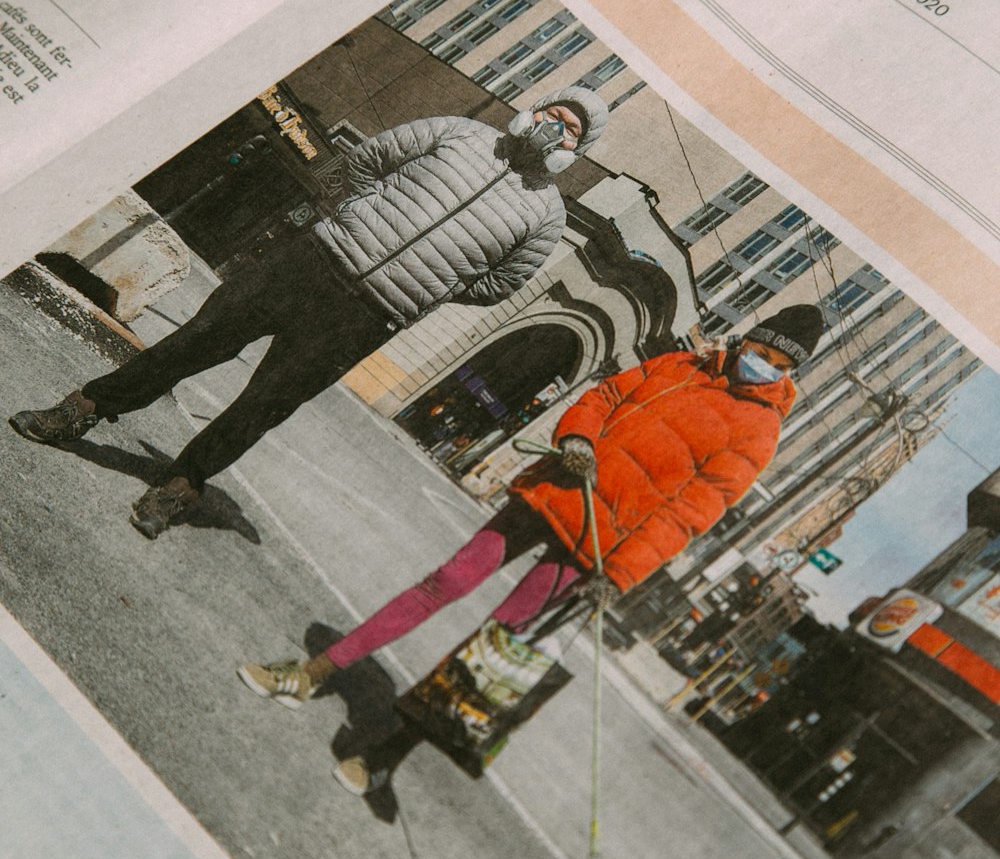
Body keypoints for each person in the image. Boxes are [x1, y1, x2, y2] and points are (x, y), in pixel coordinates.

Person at [238, 303, 825, 790]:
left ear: (788, 372)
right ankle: (313, 672)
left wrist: (618, 574)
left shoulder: (759, 431)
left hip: (595, 545)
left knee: (490, 651)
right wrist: (576, 438)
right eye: (761, 350)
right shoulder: (680, 365)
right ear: (747, 336)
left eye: (777, 364)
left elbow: (693, 512)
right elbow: (602, 399)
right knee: (444, 580)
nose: (761, 366)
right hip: (555, 489)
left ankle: (386, 754)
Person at [9, 87, 608, 538]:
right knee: (197, 341)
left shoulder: (546, 215)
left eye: (573, 132)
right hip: (312, 261)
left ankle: (179, 485)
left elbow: (500, 284)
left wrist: (426, 282)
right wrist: (361, 219)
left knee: (266, 402)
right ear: (535, 108)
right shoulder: (457, 132)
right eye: (556, 113)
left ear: (575, 153)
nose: (558, 129)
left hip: (371, 315)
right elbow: (366, 161)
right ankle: (83, 408)